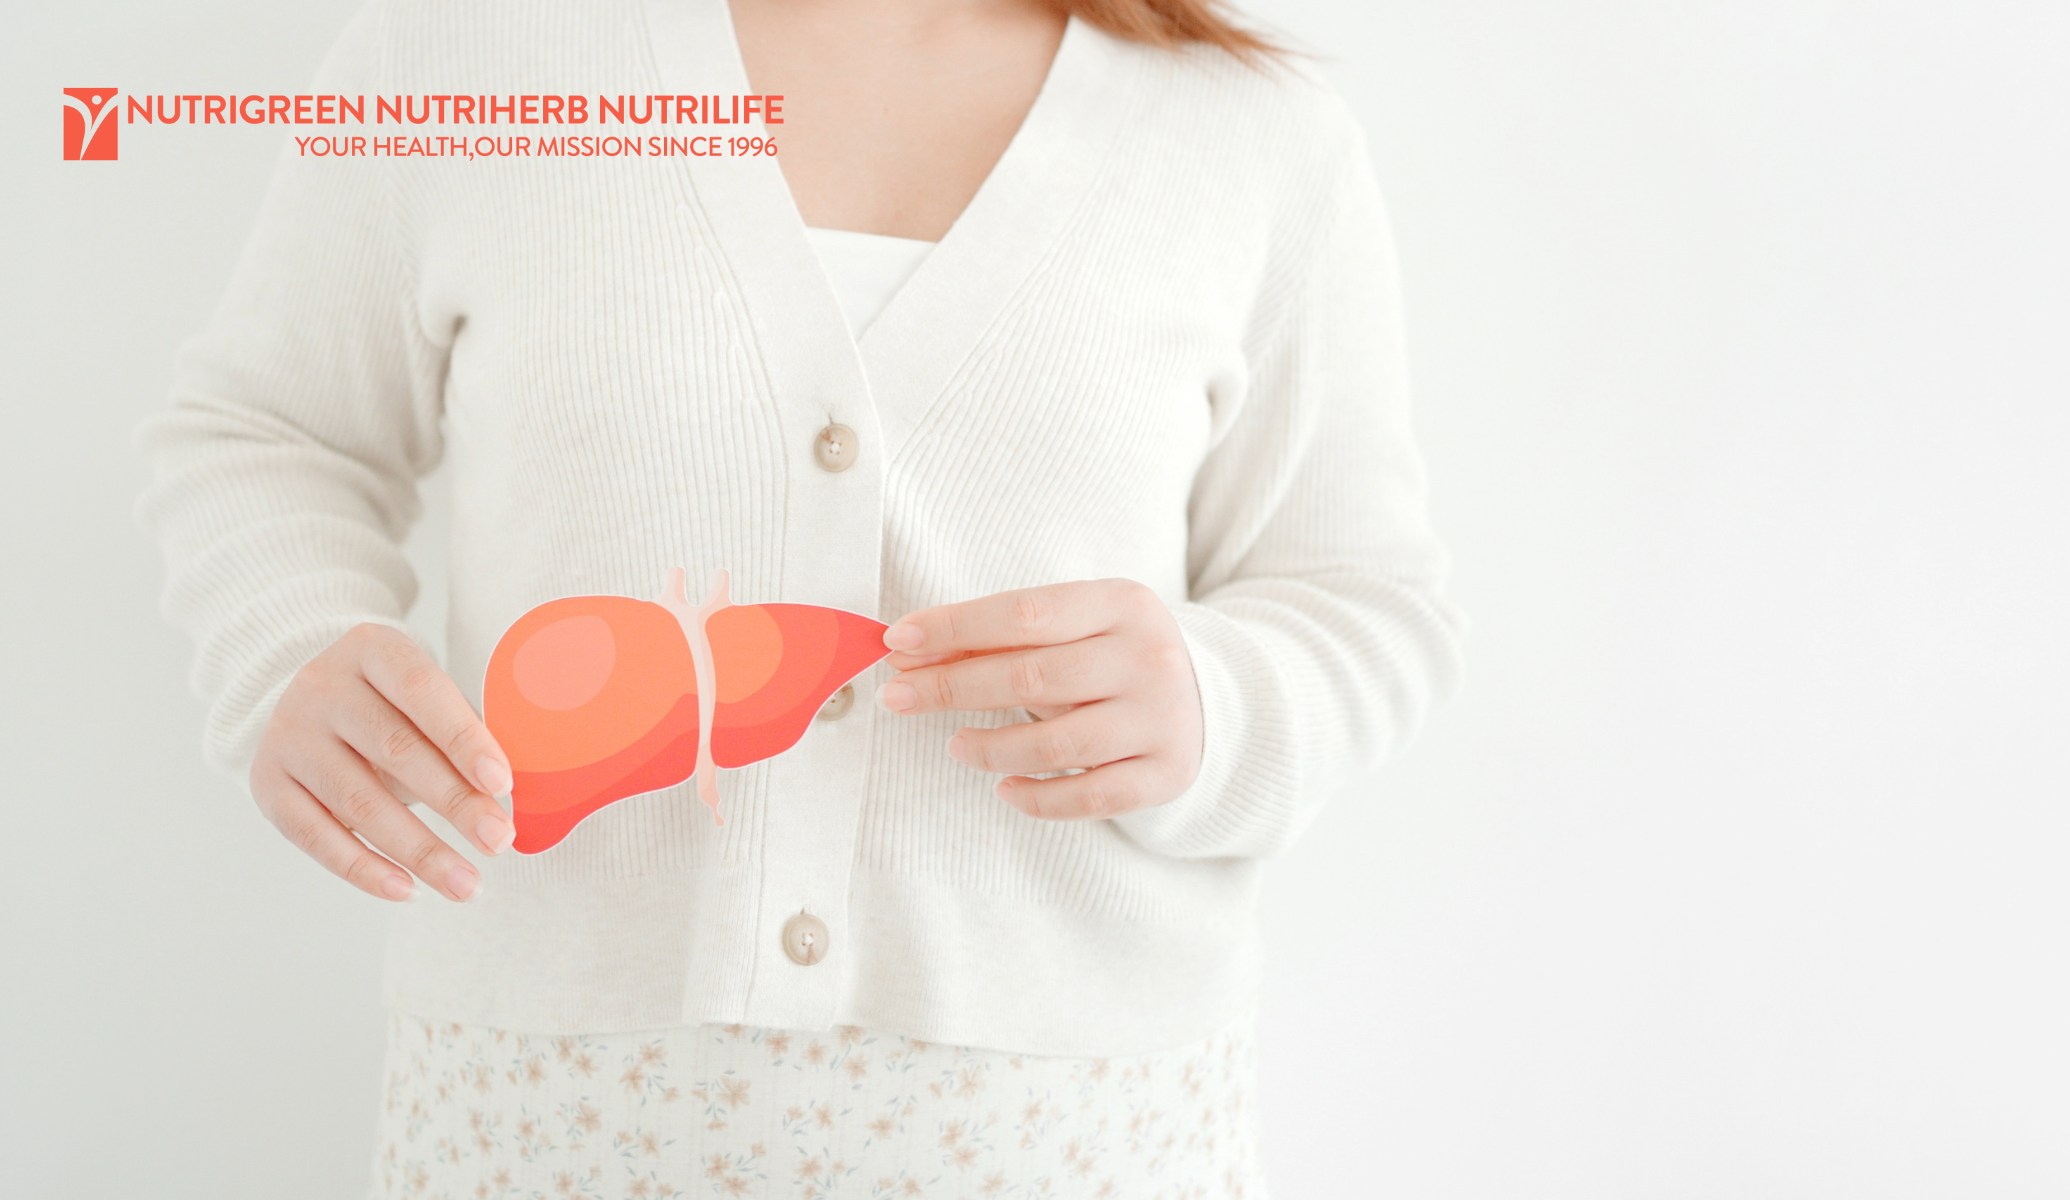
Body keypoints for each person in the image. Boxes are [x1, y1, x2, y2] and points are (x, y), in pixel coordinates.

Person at [135, 0, 1461, 1191]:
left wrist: (1213, 708)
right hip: (544, 1119)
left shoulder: (1253, 137)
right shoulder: (463, 51)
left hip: (1081, 1131)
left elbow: (1362, 599)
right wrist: (289, 645)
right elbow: (269, 434)